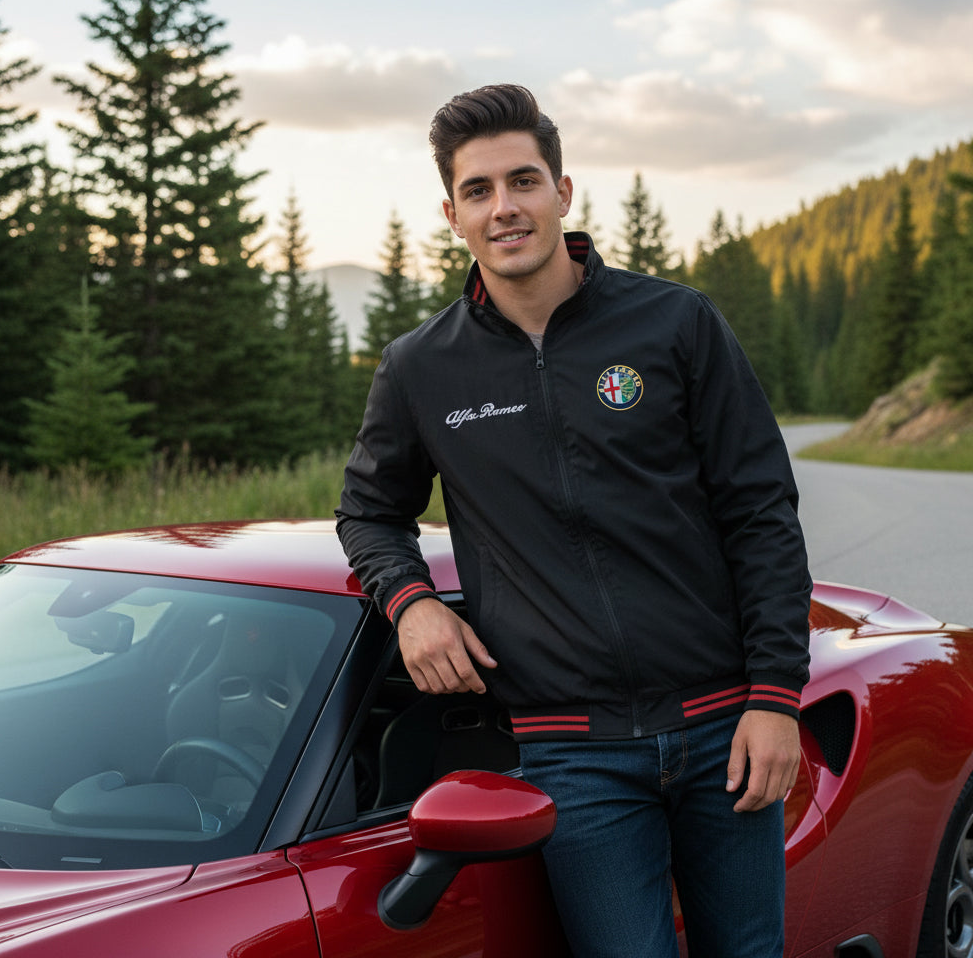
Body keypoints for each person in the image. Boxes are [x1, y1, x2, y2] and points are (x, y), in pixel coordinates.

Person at [336, 83, 811, 957]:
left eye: (523, 181)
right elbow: (367, 510)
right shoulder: (420, 369)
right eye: (478, 190)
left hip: (724, 727)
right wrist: (411, 602)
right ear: (452, 214)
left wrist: (776, 697)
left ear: (561, 191)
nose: (504, 207)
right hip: (573, 756)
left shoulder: (676, 322)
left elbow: (761, 514)